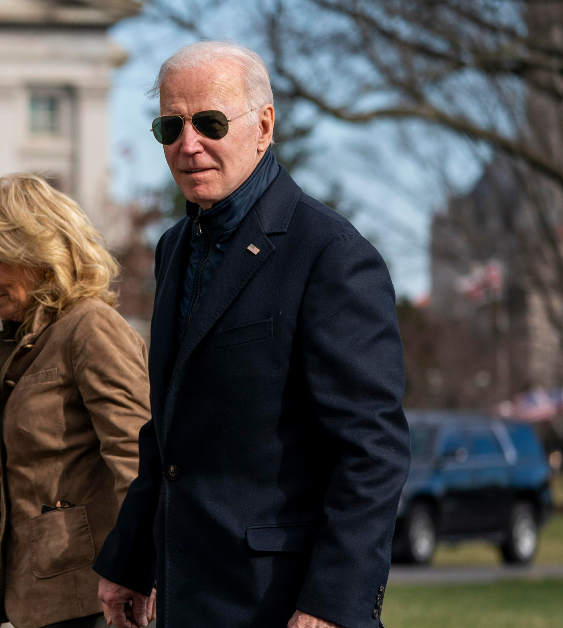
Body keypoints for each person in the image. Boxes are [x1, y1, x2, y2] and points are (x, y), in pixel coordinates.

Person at [93, 41, 411, 628]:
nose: (188, 145)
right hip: (187, 598)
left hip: (283, 603)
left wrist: (332, 604)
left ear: (263, 126)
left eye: (210, 123)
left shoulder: (331, 254)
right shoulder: (173, 250)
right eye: (171, 126)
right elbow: (166, 431)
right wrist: (130, 561)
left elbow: (373, 450)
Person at [0, 174, 152, 628]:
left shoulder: (90, 327)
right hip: (40, 604)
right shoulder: (21, 344)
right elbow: (40, 479)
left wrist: (135, 570)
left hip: (99, 604)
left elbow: (140, 461)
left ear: (37, 253)